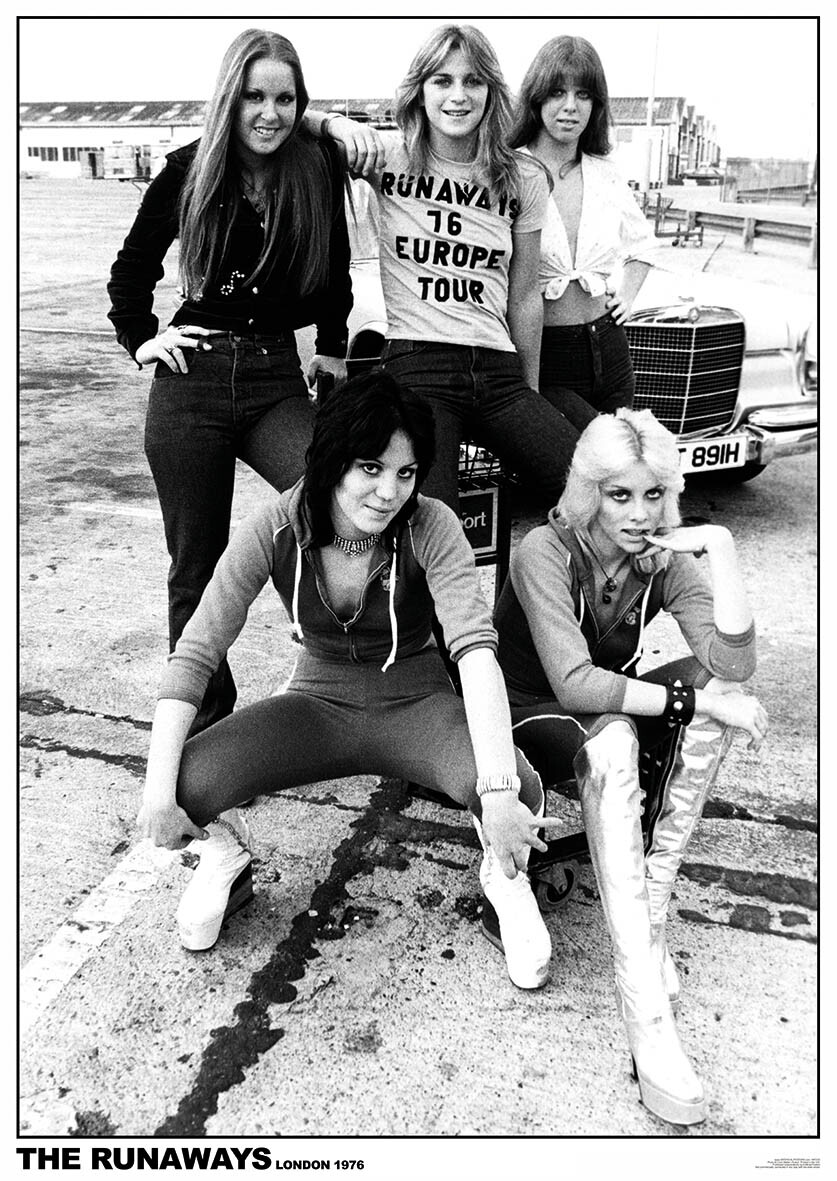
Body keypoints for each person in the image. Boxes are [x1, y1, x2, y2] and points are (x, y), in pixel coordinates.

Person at [137, 371, 560, 991]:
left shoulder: (433, 524)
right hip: (317, 703)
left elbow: (475, 652)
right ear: (333, 458)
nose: (390, 492)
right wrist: (156, 791)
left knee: (519, 784)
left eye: (406, 473)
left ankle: (505, 873)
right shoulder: (276, 525)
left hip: (415, 699)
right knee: (182, 782)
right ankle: (227, 853)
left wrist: (496, 793)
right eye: (371, 467)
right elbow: (197, 651)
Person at [493, 408, 768, 1125]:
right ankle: (646, 1018)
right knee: (621, 735)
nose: (639, 514)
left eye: (654, 494)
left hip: (602, 710)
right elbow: (573, 684)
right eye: (620, 495)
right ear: (588, 490)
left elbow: (733, 662)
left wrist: (719, 547)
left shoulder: (661, 556)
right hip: (519, 717)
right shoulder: (543, 550)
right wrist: (691, 701)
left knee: (720, 692)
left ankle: (648, 920)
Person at [107, 29, 352, 734]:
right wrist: (142, 339)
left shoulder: (315, 167)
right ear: (229, 99)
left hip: (275, 377)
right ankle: (207, 724)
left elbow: (334, 269)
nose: (269, 113)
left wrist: (332, 348)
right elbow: (132, 270)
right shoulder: (189, 169)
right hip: (194, 379)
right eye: (253, 97)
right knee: (196, 564)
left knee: (333, 503)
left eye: (284, 98)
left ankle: (334, 670)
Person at [312, 24, 590, 512]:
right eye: (442, 81)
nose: (458, 96)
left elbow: (525, 296)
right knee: (432, 521)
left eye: (473, 81)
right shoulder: (388, 157)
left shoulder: (523, 176)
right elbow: (293, 117)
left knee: (589, 494)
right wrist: (337, 124)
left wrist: (529, 397)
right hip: (419, 365)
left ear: (491, 91)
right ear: (420, 91)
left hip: (498, 370)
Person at [509, 36, 658, 425]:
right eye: (557, 92)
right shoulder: (510, 171)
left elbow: (643, 246)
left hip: (609, 347)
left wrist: (627, 297)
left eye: (584, 94)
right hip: (545, 355)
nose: (571, 106)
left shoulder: (606, 172)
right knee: (570, 457)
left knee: (619, 457)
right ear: (536, 97)